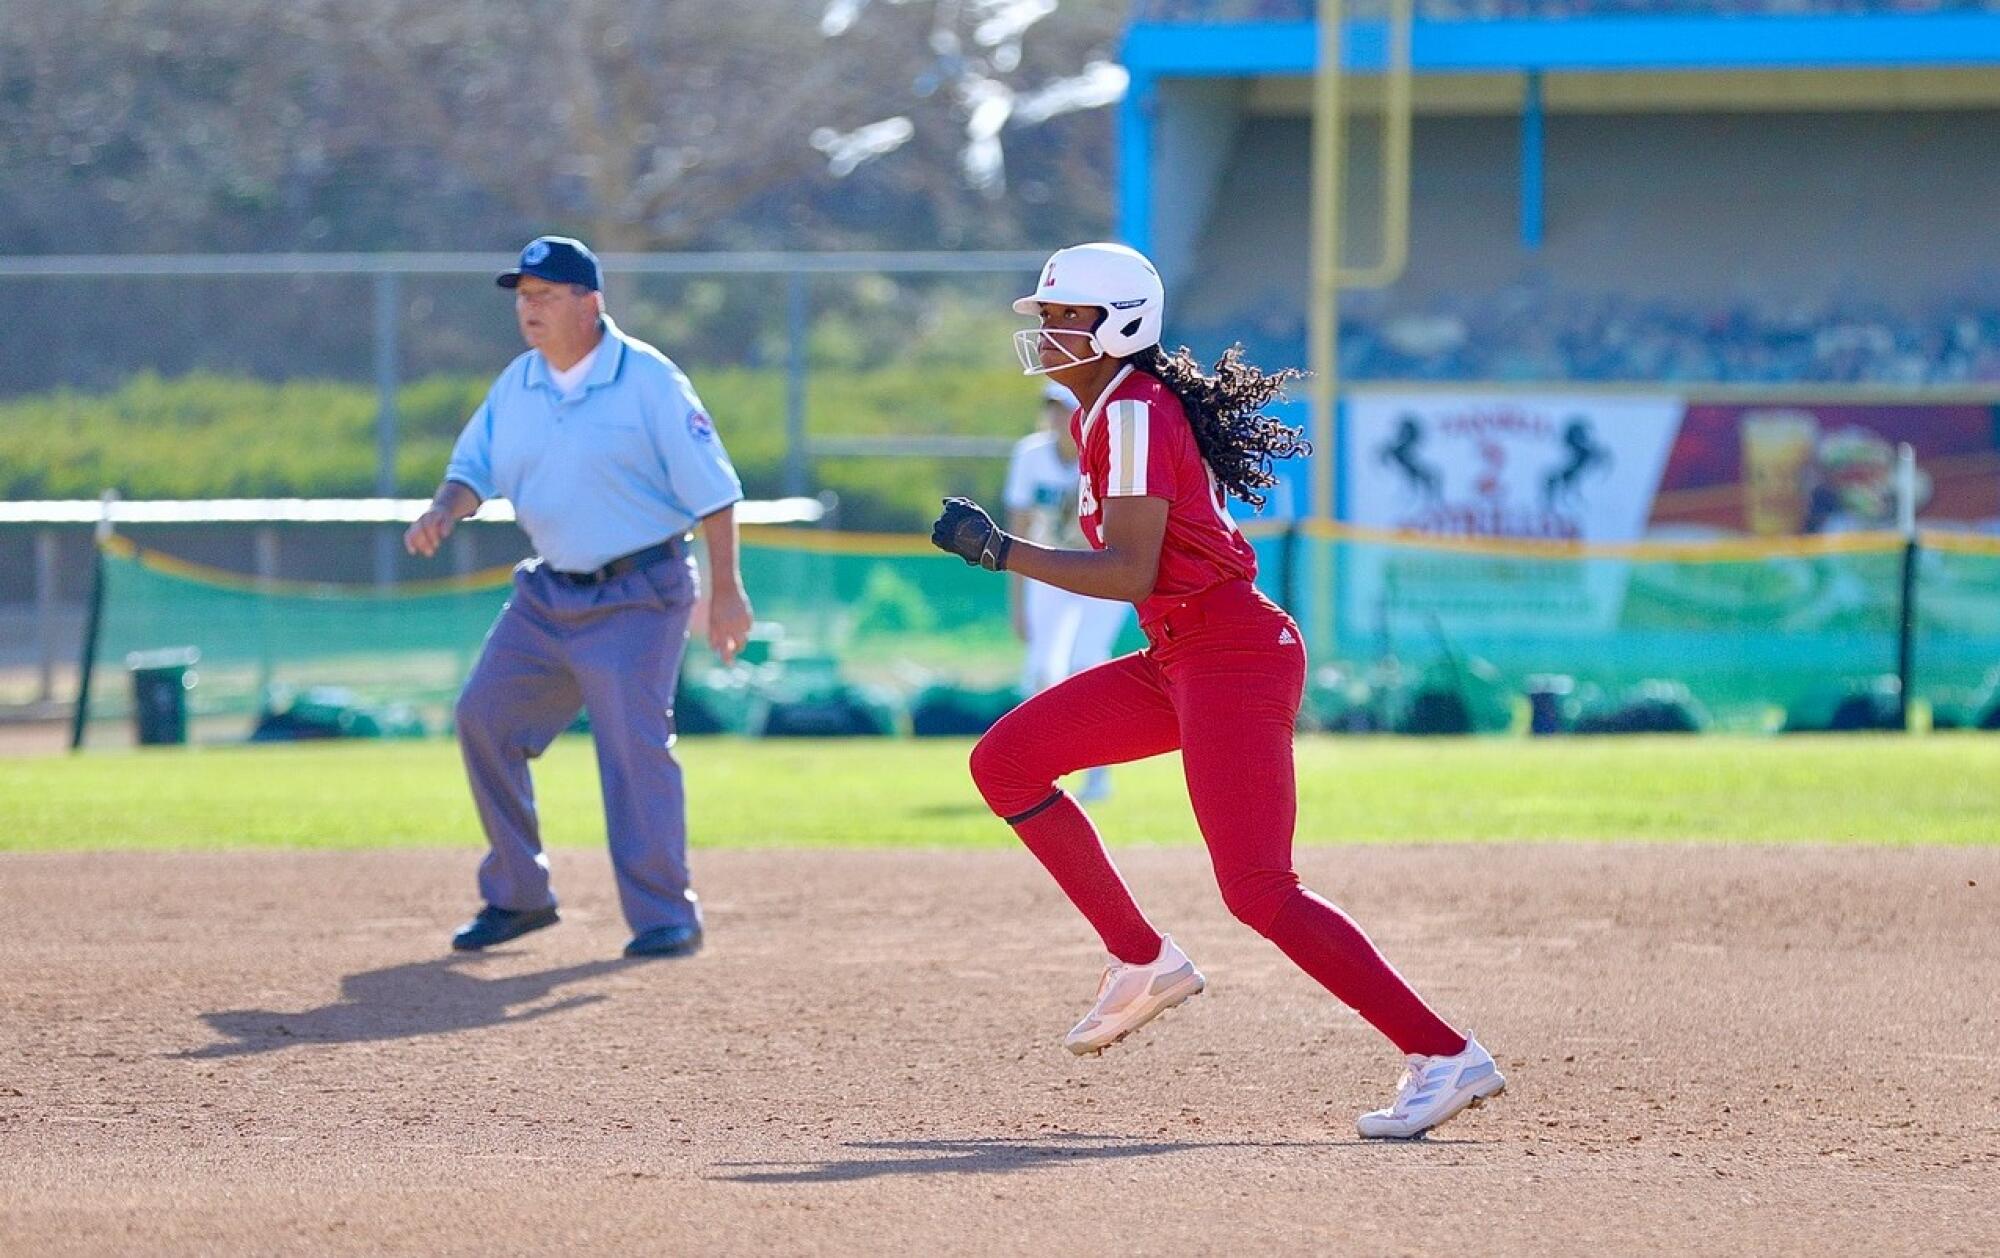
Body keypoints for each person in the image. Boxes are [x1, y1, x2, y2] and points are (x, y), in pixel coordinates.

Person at [930, 242, 1504, 1140]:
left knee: (1259, 889)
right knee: (1007, 762)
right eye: (1044, 315)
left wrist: (1002, 550)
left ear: (1120, 324)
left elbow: (1129, 571)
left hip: (1229, 654)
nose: (1044, 331)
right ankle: (1141, 959)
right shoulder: (1112, 412)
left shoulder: (1127, 413)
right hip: (1185, 651)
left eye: (1063, 316)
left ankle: (1444, 1054)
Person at [404, 235, 752, 960]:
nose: (527, 310)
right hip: (547, 594)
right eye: (522, 297)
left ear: (590, 302)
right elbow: (471, 467)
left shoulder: (650, 380)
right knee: (483, 718)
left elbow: (715, 495)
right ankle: (518, 897)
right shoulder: (519, 383)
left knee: (631, 742)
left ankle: (665, 916)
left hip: (640, 592)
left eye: (544, 295)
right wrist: (447, 506)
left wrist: (726, 594)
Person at [1003, 378, 1130, 802]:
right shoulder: (1031, 454)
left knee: (1086, 663)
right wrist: (1017, 603)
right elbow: (1017, 530)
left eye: (1066, 407)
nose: (1059, 416)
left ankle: (1099, 773)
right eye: (1053, 407)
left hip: (1100, 569)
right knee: (1041, 670)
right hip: (1051, 569)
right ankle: (1041, 770)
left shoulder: (1107, 449)